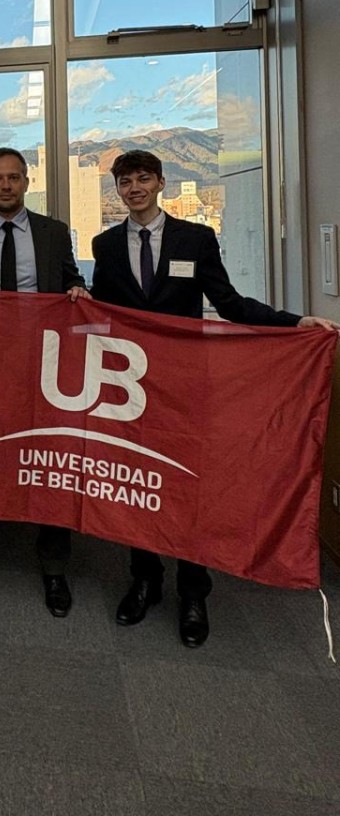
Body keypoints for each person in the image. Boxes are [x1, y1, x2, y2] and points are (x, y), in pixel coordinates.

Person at [91, 149, 340, 648]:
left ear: (160, 182)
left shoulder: (195, 239)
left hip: (185, 386)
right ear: (116, 190)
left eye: (143, 179)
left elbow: (228, 303)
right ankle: (145, 580)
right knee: (137, 478)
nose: (134, 188)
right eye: (125, 181)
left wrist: (295, 322)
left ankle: (193, 591)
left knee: (187, 485)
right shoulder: (105, 244)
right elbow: (103, 313)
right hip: (129, 387)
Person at [0, 147, 89, 615]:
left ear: (27, 182)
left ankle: (53, 568)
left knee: (49, 457)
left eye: (13, 178)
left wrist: (77, 291)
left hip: (42, 368)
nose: (5, 186)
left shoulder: (53, 232)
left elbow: (71, 283)